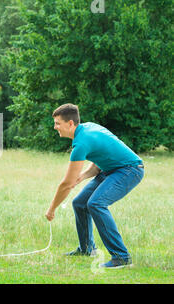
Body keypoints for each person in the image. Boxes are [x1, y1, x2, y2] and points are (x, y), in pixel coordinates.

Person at [45, 104, 144, 269]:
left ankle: (121, 257)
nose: (55, 127)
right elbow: (101, 157)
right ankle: (87, 249)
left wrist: (51, 209)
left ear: (70, 123)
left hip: (130, 170)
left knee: (96, 204)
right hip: (110, 170)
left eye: (57, 123)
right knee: (80, 203)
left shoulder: (81, 144)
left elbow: (66, 184)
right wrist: (83, 176)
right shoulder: (86, 129)